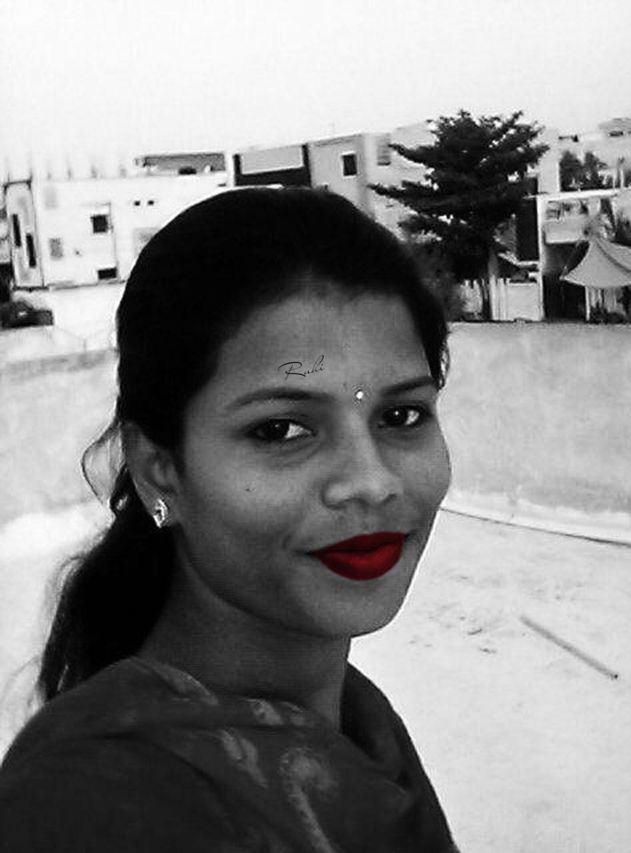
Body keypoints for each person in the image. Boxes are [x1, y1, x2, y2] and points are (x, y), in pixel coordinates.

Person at [0, 187, 458, 852]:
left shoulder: (360, 726)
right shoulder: (87, 810)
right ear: (160, 469)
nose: (372, 481)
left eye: (401, 415)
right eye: (281, 429)